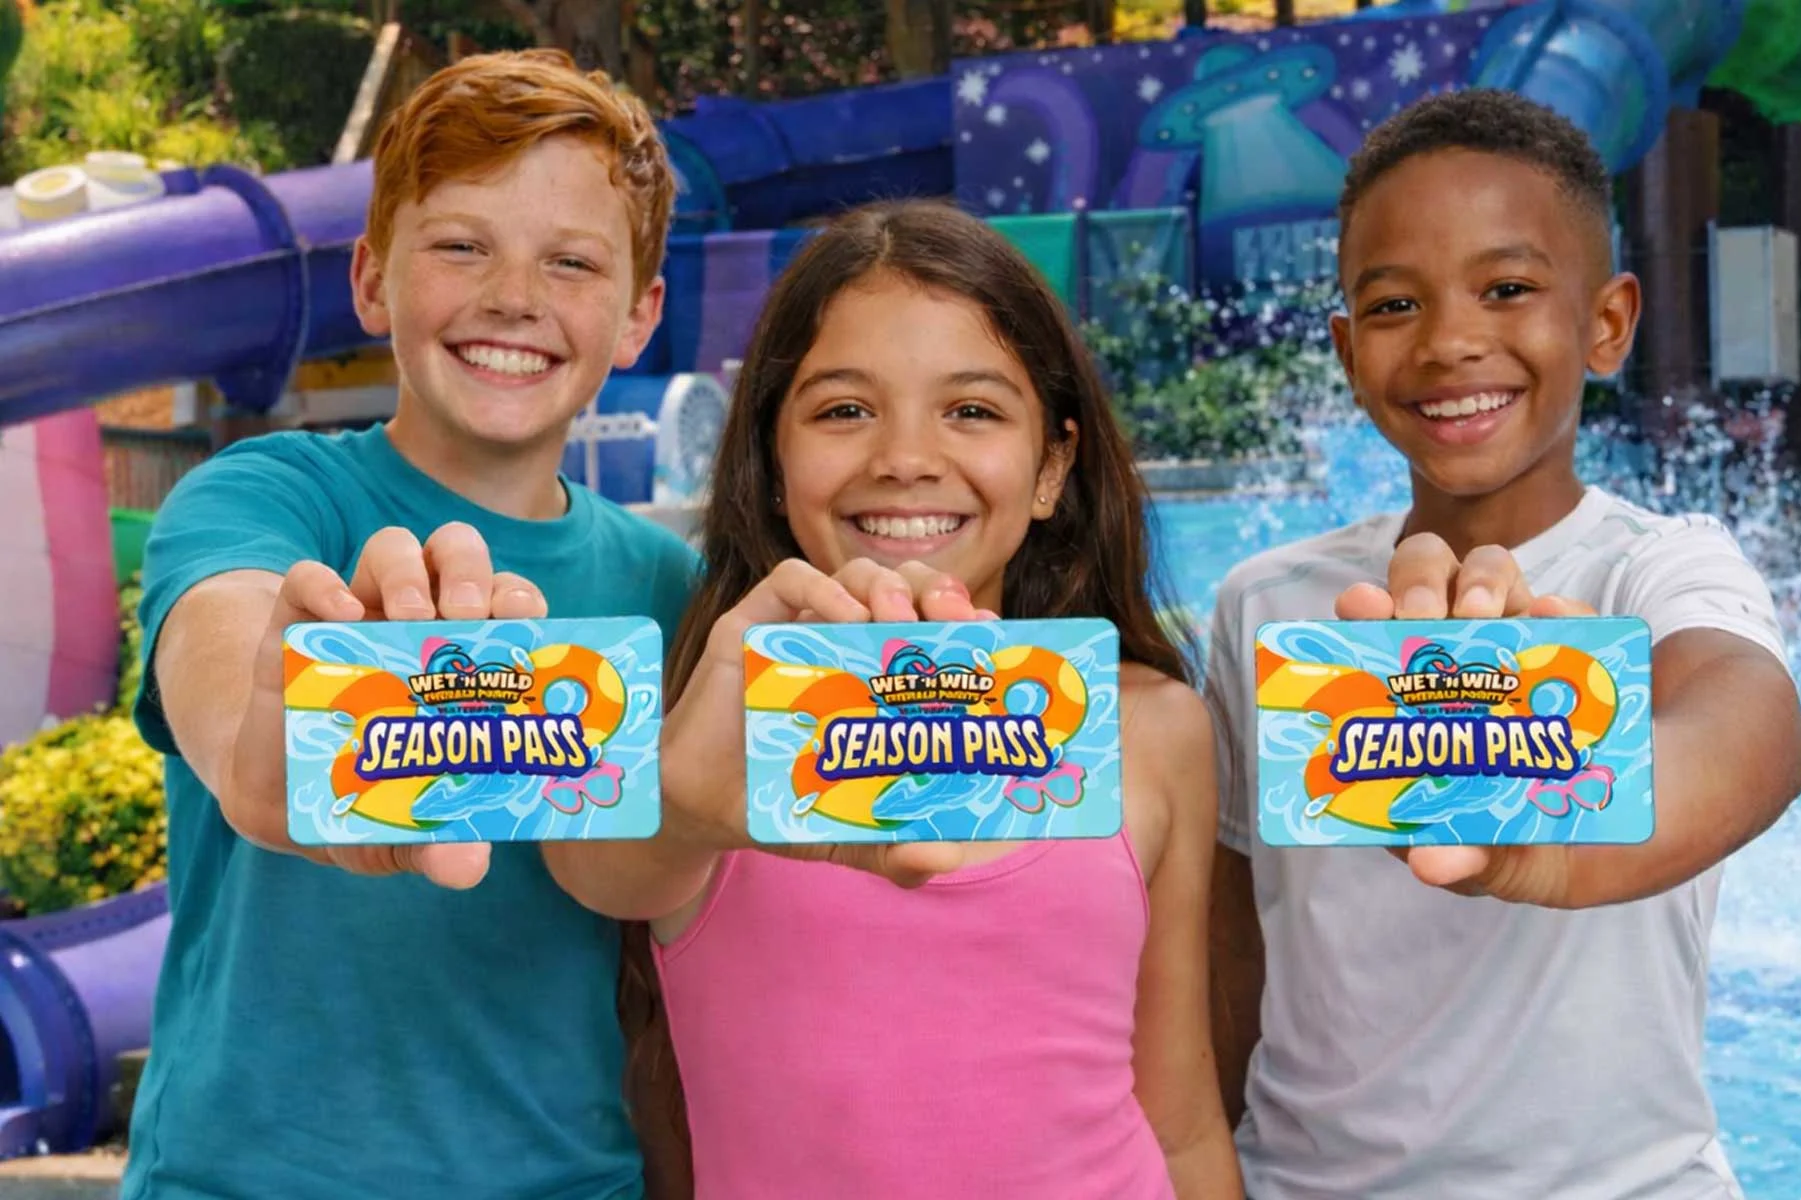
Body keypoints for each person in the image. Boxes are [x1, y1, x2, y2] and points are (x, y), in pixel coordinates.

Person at [544, 198, 1243, 1198]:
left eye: (972, 410)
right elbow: (604, 870)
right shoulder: (699, 725)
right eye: (843, 410)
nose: (905, 458)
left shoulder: (1154, 724)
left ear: (1051, 466)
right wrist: (693, 802)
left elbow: (1179, 1121)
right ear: (773, 465)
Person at [1207, 89, 1801, 1199]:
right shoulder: (1264, 605)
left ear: (1606, 324)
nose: (1449, 341)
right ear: (1345, 347)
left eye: (1509, 289)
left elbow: (1752, 730)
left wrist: (1563, 845)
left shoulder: (1661, 573)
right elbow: (1240, 943)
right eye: (1394, 305)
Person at [123, 50, 693, 1199]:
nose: (514, 297)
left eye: (570, 262)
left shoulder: (672, 589)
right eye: (462, 244)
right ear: (373, 282)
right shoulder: (258, 498)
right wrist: (286, 746)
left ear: (637, 318)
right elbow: (241, 715)